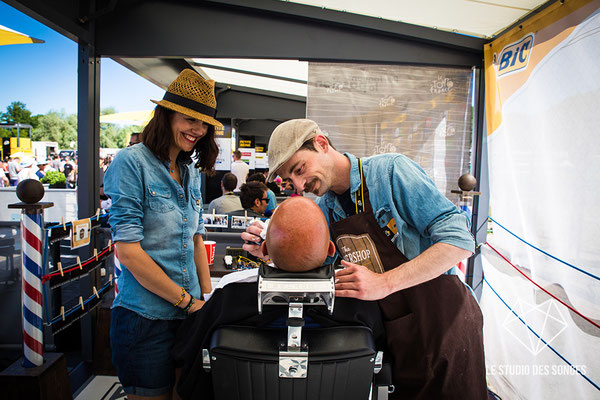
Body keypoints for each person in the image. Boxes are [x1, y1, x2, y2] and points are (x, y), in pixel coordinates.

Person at [242, 119, 487, 399]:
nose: (299, 185)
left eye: (300, 169)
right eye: (289, 180)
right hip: (396, 332)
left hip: (444, 322)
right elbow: (314, 262)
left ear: (321, 144)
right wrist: (271, 250)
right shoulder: (324, 209)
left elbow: (459, 241)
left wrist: (383, 283)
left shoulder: (391, 172)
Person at [172, 196, 384, 400]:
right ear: (331, 249)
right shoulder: (359, 298)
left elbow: (186, 352)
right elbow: (383, 362)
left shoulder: (229, 294)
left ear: (264, 248)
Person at [104, 69, 223, 400]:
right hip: (146, 320)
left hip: (190, 317)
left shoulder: (190, 172)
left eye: (205, 124)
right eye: (189, 119)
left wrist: (207, 298)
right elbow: (128, 252)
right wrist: (188, 302)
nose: (197, 130)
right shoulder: (131, 163)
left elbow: (196, 239)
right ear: (166, 114)